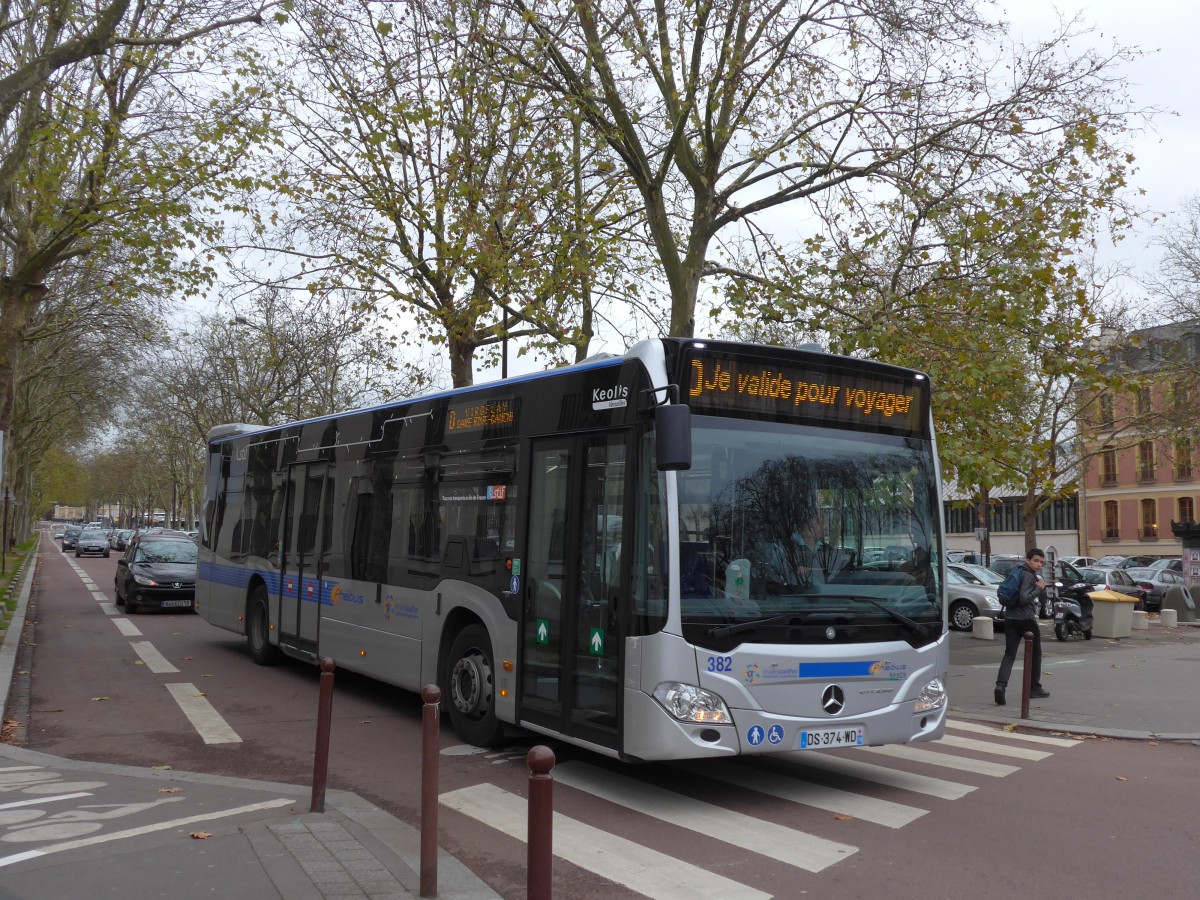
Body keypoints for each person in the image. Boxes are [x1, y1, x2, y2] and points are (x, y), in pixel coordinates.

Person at [994, 547, 1051, 705]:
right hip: (1026, 619)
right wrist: (1039, 589)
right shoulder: (1027, 575)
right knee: (1036, 653)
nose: (1039, 564)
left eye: (1041, 562)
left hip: (1011, 618)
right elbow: (1024, 598)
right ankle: (1034, 688)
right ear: (1028, 560)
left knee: (1009, 654)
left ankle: (1000, 686)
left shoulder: (1018, 572)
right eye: (1036, 561)